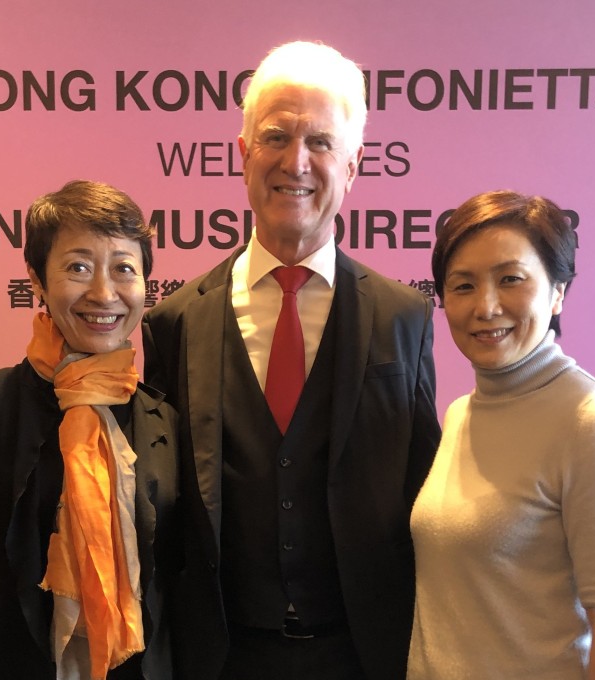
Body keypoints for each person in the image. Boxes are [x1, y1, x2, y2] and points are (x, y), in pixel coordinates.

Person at [142, 41, 440, 680]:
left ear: (354, 165)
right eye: (275, 137)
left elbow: (424, 492)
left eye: (322, 143)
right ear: (242, 153)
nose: (296, 162)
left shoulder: (405, 318)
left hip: (363, 655)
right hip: (218, 658)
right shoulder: (173, 324)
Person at [0, 180, 178, 680]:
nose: (104, 293)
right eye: (78, 267)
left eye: (124, 268)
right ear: (36, 280)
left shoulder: (162, 419)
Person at [408, 190, 595, 679]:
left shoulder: (589, 419)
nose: (486, 306)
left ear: (558, 291)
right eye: (463, 285)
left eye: (510, 279)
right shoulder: (459, 415)